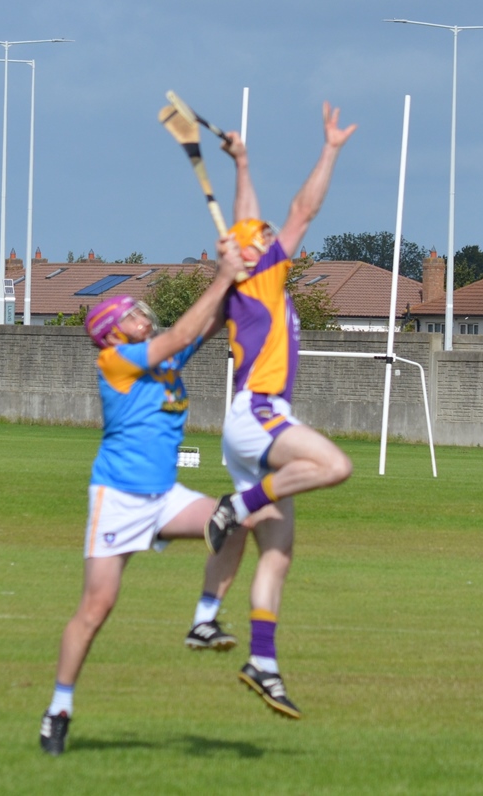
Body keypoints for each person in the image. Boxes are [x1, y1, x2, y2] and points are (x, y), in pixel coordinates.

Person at [38, 235, 246, 756]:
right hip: (119, 498)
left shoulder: (164, 358)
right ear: (113, 331)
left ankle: (204, 619)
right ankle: (58, 708)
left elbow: (209, 322)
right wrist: (221, 275)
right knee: (96, 609)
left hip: (164, 495)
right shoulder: (115, 361)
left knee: (239, 517)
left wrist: (246, 277)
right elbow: (180, 333)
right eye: (131, 313)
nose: (141, 316)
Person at [190, 102, 357, 720]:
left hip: (248, 423)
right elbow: (301, 210)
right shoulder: (258, 275)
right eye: (257, 235)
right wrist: (332, 149)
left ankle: (244, 647)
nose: (266, 231)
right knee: (335, 465)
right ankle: (236, 506)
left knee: (278, 553)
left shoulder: (254, 275)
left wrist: (242, 161)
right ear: (250, 254)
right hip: (258, 414)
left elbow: (247, 217)